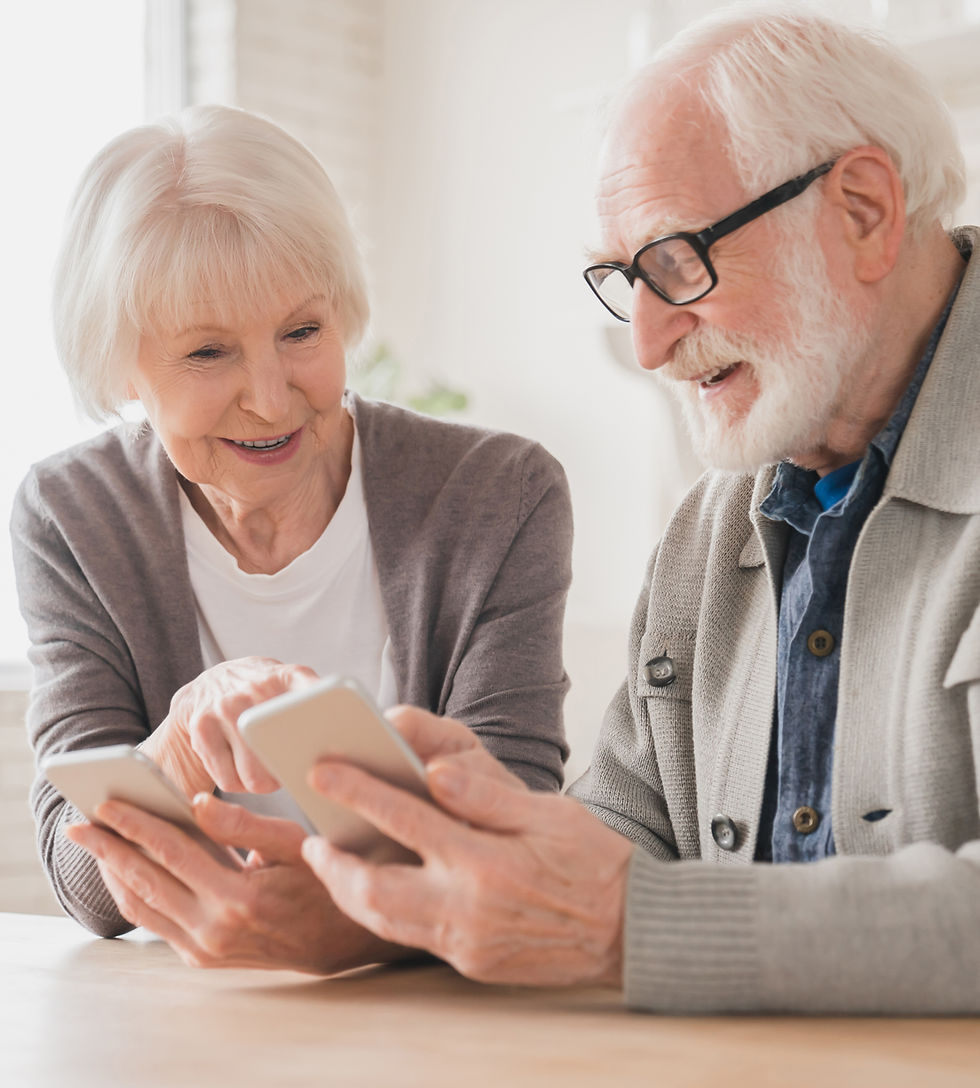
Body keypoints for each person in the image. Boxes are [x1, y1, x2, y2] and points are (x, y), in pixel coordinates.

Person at [297, 7, 980, 1013]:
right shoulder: (707, 531)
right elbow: (620, 835)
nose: (649, 343)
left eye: (674, 262)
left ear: (863, 211)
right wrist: (449, 856)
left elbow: (626, 908)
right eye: (628, 280)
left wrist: (636, 922)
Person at [12, 104, 572, 972]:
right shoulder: (72, 513)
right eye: (207, 353)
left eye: (302, 332)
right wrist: (185, 735)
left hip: (439, 1014)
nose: (272, 400)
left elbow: (518, 819)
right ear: (122, 366)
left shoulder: (497, 495)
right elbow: (80, 879)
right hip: (188, 1021)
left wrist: (350, 926)